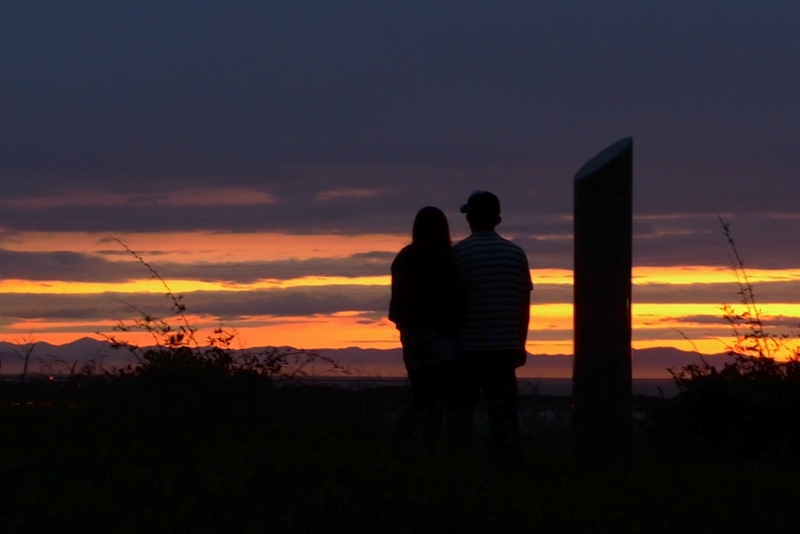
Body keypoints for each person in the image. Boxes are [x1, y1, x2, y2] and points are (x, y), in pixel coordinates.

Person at [449, 191, 533, 456]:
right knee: (504, 418)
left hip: (466, 349)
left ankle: (459, 472)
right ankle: (506, 475)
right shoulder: (515, 254)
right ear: (497, 219)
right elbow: (523, 304)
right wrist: (520, 344)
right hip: (504, 349)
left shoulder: (458, 254)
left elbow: (451, 304)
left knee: (461, 416)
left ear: (470, 219)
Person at [388, 206, 462, 451]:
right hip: (440, 339)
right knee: (435, 401)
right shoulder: (446, 260)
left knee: (423, 399)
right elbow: (453, 303)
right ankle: (426, 451)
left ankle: (404, 447)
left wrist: (408, 330)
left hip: (412, 340)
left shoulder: (404, 258)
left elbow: (396, 308)